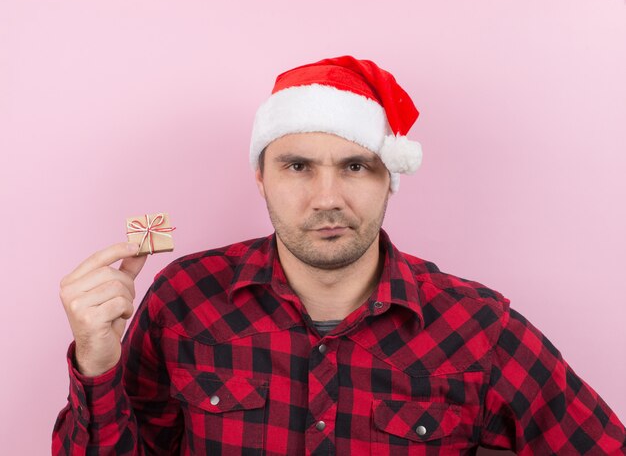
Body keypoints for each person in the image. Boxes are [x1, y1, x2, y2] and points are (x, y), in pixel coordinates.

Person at [53, 55, 626, 455]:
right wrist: (97, 362)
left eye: (355, 166)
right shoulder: (185, 298)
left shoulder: (477, 327)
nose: (327, 198)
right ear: (260, 177)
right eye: (297, 166)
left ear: (388, 180)